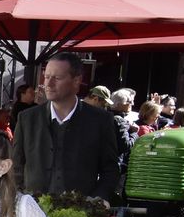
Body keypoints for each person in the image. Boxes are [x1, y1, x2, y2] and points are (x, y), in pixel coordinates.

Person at [11, 52, 119, 202]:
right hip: (32, 212)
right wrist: (21, 199)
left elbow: (110, 169)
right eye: (47, 77)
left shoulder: (100, 120)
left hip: (81, 213)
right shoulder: (27, 118)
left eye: (57, 78)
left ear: (76, 81)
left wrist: (97, 200)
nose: (48, 84)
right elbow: (16, 166)